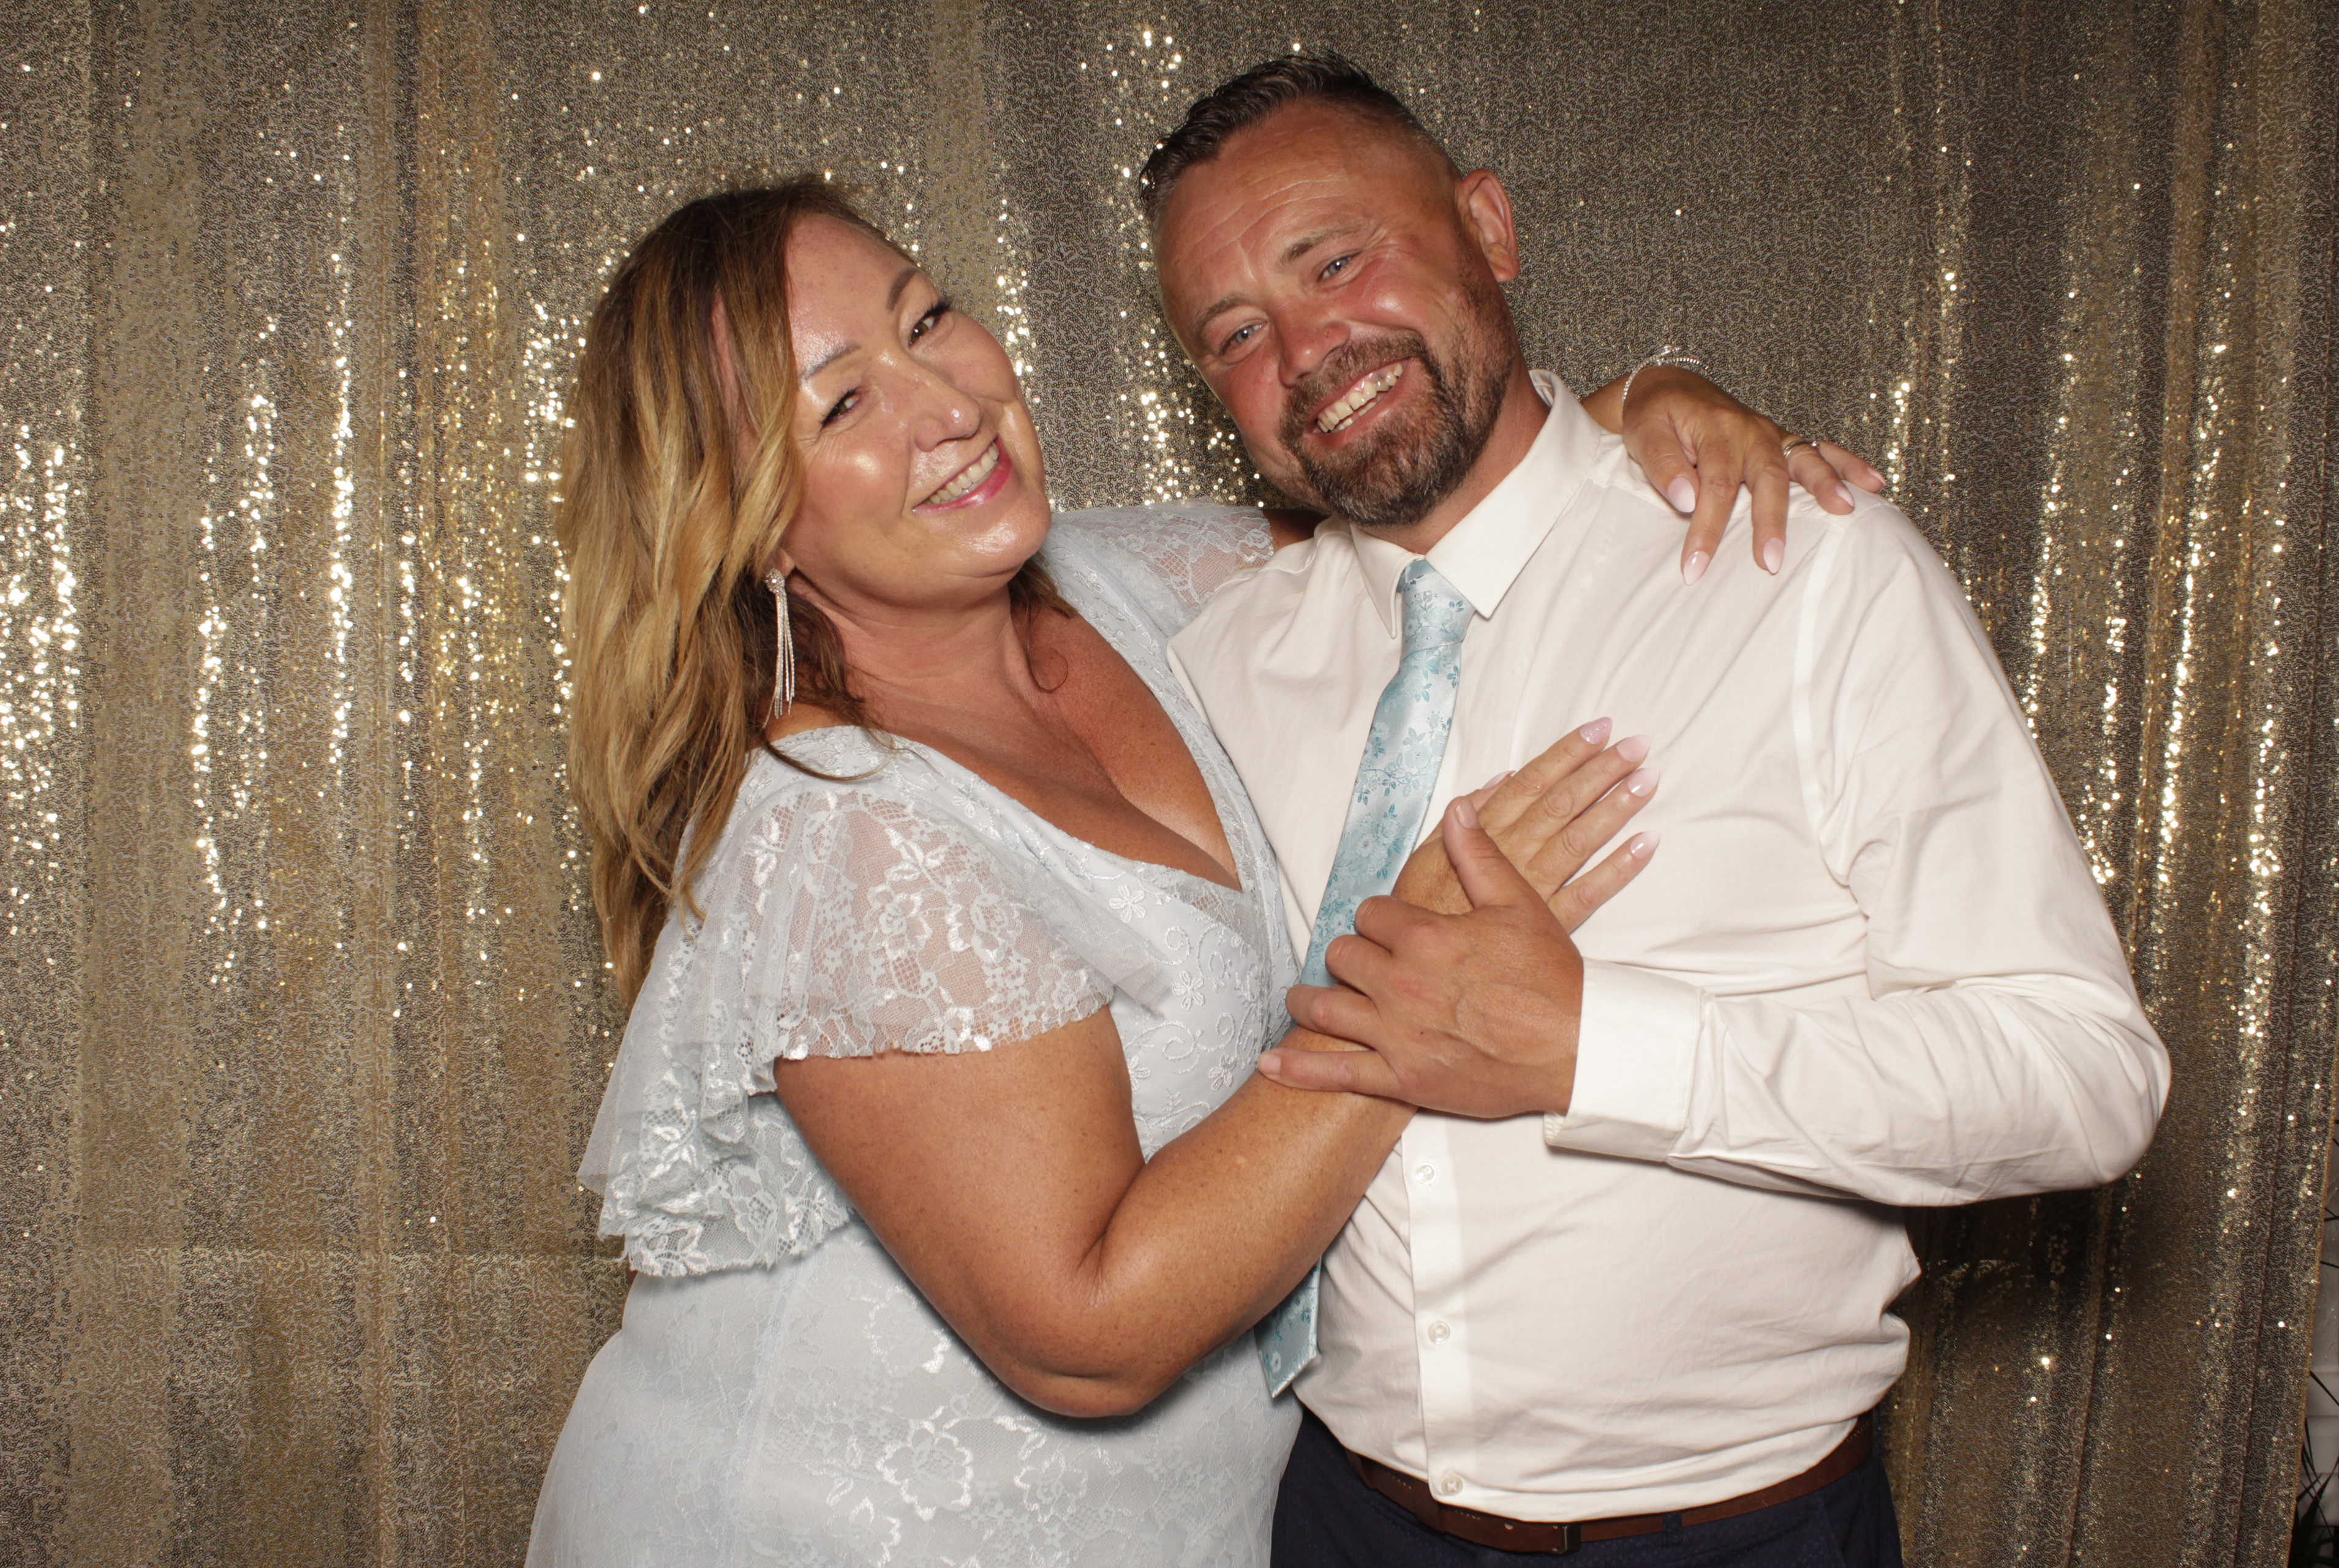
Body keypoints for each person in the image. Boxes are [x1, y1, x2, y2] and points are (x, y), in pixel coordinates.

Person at [524, 173, 1874, 1567]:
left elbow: (1462, 499)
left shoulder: (1148, 578)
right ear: (749, 520)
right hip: (843, 1530)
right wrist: (1413, 964)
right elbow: (1087, 1334)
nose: (945, 405)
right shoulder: (843, 825)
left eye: (926, 320)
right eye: (842, 403)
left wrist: (1642, 404)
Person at [1145, 54, 2170, 1567]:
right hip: (1345, 1514)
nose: (1306, 350)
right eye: (1236, 332)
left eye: (1337, 260)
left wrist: (1594, 1045)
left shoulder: (1804, 568)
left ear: (1487, 225)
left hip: (1734, 1529)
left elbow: (2086, 1076)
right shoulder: (1220, 659)